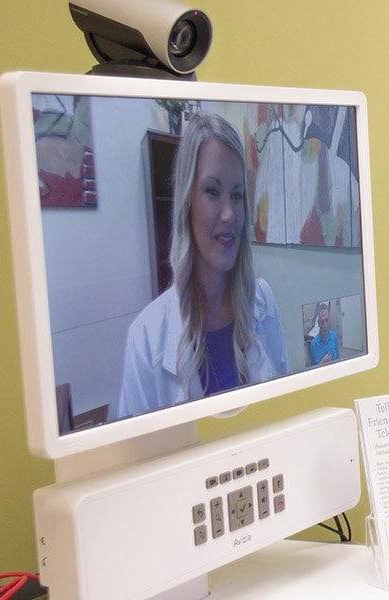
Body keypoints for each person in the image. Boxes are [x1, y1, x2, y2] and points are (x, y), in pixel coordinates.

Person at [116, 110, 290, 420]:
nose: (229, 214)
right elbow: (137, 463)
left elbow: (285, 414)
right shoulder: (145, 339)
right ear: (187, 202)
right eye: (212, 191)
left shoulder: (264, 301)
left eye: (237, 195)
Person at [308, 301, 341, 366]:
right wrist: (323, 362)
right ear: (318, 323)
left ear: (329, 320)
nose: (325, 325)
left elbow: (338, 359)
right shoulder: (314, 344)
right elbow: (313, 370)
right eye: (322, 321)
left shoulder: (334, 336)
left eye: (326, 320)